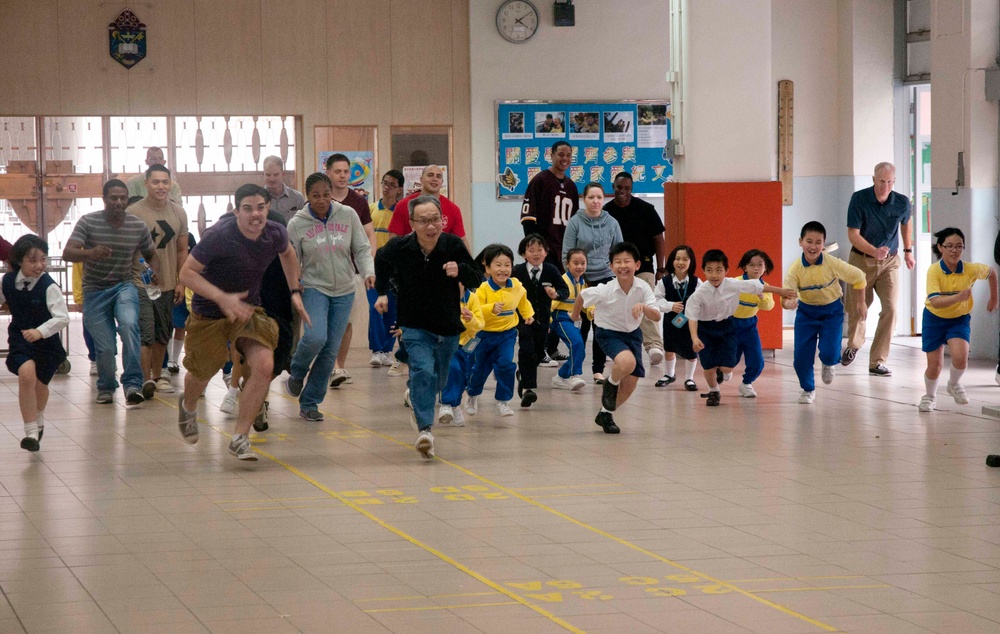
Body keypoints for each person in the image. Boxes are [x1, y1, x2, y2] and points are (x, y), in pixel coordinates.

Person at [177, 184, 309, 461]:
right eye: (247, 209)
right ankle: (187, 406)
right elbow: (186, 274)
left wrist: (295, 291)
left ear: (268, 208)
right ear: (236, 211)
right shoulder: (218, 236)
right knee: (203, 371)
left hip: (248, 310)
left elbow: (288, 254)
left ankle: (240, 437)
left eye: (260, 207)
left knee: (264, 365)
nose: (255, 214)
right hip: (209, 313)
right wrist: (221, 297)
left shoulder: (275, 232)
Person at [374, 195, 482, 459]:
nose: (431, 226)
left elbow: (477, 277)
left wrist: (460, 270)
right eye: (423, 221)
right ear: (412, 223)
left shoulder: (452, 244)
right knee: (423, 369)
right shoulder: (400, 246)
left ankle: (416, 393)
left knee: (438, 379)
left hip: (447, 325)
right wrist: (382, 292)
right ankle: (425, 431)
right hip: (414, 325)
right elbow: (381, 259)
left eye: (435, 219)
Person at [285, 173, 374, 421]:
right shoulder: (297, 223)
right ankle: (297, 370)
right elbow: (291, 259)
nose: (322, 200)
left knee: (330, 349)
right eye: (316, 196)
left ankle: (310, 402)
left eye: (326, 194)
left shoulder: (348, 215)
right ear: (307, 197)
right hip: (314, 287)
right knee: (316, 337)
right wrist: (294, 286)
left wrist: (368, 272)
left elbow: (362, 248)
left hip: (345, 289)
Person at [63, 179, 158, 405]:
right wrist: (90, 253)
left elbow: (152, 254)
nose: (118, 202)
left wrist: (153, 271)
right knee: (105, 346)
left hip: (124, 286)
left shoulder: (137, 226)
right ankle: (106, 386)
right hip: (94, 290)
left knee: (129, 325)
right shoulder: (88, 222)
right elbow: (68, 252)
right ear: (104, 199)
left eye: (123, 198)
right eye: (113, 198)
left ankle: (133, 384)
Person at [684, 249, 794, 407]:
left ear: (726, 270)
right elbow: (692, 318)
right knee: (708, 366)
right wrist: (695, 338)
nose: (714, 275)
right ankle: (714, 391)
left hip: (727, 326)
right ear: (703, 271)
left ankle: (726, 373)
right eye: (709, 270)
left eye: (719, 270)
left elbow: (759, 286)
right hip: (705, 329)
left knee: (728, 367)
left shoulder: (732, 284)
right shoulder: (699, 294)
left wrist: (780, 291)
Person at [571, 242, 660, 434]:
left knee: (631, 383)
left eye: (627, 261)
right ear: (611, 266)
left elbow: (656, 316)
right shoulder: (606, 289)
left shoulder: (643, 287)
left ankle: (605, 413)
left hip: (632, 334)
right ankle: (610, 383)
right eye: (617, 262)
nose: (623, 265)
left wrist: (644, 308)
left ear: (637, 265)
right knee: (627, 363)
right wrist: (575, 315)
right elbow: (582, 296)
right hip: (608, 333)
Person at [842, 162, 914, 376]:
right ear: (873, 179)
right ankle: (854, 344)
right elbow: (853, 234)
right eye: (882, 181)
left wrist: (908, 251)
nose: (886, 186)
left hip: (890, 262)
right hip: (861, 261)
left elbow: (906, 224)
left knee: (891, 309)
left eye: (890, 182)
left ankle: (877, 362)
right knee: (858, 309)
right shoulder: (859, 199)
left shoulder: (901, 202)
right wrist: (874, 251)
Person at [782, 221, 867, 404]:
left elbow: (859, 277)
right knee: (801, 358)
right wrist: (788, 303)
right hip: (806, 314)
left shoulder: (832, 263)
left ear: (823, 244)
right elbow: (786, 296)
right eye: (809, 241)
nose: (813, 247)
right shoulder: (795, 269)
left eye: (818, 242)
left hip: (831, 312)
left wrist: (861, 302)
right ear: (800, 242)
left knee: (829, 353)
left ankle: (828, 363)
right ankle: (808, 389)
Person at [918, 228, 998, 412]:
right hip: (934, 319)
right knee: (935, 365)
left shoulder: (970, 269)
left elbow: (991, 273)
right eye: (950, 246)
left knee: (961, 358)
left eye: (959, 246)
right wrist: (958, 297)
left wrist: (994, 298)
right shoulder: (934, 271)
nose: (955, 250)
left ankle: (954, 384)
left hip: (959, 320)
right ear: (940, 247)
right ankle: (929, 396)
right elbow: (935, 302)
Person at [127, 164, 189, 399]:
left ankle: (158, 375)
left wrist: (181, 282)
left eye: (165, 182)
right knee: (146, 331)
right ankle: (144, 380)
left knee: (164, 331)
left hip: (168, 283)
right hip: (140, 282)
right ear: (146, 184)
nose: (160, 186)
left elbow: (182, 250)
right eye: (155, 182)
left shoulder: (179, 213)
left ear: (170, 184)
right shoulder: (133, 212)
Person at [2, 235, 69, 452]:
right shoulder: (7, 281)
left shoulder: (49, 286)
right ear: (19, 260)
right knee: (26, 375)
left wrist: (40, 332)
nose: (39, 265)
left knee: (40, 385)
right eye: (33, 261)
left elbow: (62, 318)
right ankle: (30, 431)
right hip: (21, 338)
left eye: (43, 259)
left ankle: (38, 417)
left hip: (47, 344)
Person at [521, 140, 579, 363]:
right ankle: (539, 348)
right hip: (546, 250)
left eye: (568, 155)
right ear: (551, 155)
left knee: (562, 299)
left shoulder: (572, 186)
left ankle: (552, 346)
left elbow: (574, 221)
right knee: (543, 301)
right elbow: (528, 217)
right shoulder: (540, 180)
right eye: (560, 154)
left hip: (564, 251)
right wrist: (536, 249)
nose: (564, 159)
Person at [323, 153, 376, 387]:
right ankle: (330, 365)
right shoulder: (319, 199)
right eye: (338, 171)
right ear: (328, 173)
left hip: (352, 273)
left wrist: (367, 267)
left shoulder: (359, 202)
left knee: (346, 322)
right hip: (323, 272)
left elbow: (369, 235)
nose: (343, 176)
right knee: (327, 322)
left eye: (346, 171)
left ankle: (339, 367)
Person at [562, 182, 623, 383]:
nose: (595, 201)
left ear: (603, 199)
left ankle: (598, 370)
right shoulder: (575, 222)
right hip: (582, 279)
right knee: (581, 326)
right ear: (584, 199)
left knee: (601, 325)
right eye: (591, 197)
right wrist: (573, 278)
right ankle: (575, 370)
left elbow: (619, 252)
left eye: (599, 197)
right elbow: (566, 254)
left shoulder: (612, 222)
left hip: (605, 277)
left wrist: (617, 277)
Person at [466, 244, 535, 418]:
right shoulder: (483, 289)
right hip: (484, 335)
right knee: (479, 369)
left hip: (507, 335)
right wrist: (490, 308)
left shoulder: (516, 285)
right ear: (488, 268)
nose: (503, 269)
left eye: (507, 265)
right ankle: (472, 395)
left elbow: (523, 300)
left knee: (505, 365)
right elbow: (476, 310)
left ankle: (503, 401)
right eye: (498, 265)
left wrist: (528, 314)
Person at [604, 172, 666, 365]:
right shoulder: (606, 212)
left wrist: (661, 268)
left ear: (631, 189)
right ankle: (616, 345)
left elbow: (659, 239)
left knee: (646, 301)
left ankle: (654, 345)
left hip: (643, 264)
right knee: (616, 305)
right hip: (617, 267)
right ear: (613, 187)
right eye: (619, 187)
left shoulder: (646, 209)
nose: (622, 191)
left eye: (627, 188)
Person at [511, 234, 568, 407]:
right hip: (523, 319)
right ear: (523, 254)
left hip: (543, 319)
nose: (536, 253)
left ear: (546, 252)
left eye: (539, 249)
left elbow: (564, 289)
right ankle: (528, 389)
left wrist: (556, 294)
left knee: (538, 352)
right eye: (531, 250)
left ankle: (523, 373)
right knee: (526, 347)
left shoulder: (551, 270)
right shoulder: (517, 271)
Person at [368, 170, 405, 368]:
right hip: (373, 268)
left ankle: (387, 350)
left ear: (399, 189)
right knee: (375, 308)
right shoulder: (372, 209)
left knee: (392, 311)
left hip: (395, 270)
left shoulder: (402, 211)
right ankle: (376, 350)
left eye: (392, 185)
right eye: (384, 183)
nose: (387, 187)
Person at [386, 164, 470, 252]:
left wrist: (469, 260)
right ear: (421, 179)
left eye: (438, 176)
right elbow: (393, 239)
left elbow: (462, 240)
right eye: (430, 175)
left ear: (442, 182)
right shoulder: (403, 205)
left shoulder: (453, 209)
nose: (434, 179)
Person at [732, 249, 778, 398]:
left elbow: (768, 306)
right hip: (731, 325)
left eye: (760, 265)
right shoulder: (736, 282)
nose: (756, 268)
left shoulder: (765, 286)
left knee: (757, 361)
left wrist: (761, 296)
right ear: (745, 267)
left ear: (765, 267)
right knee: (731, 359)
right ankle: (722, 371)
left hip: (750, 327)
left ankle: (746, 384)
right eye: (751, 265)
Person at [438, 283, 484, 427]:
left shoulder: (472, 298)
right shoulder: (439, 296)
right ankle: (446, 404)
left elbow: (479, 324)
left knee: (463, 377)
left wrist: (470, 319)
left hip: (466, 345)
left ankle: (455, 405)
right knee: (452, 369)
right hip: (446, 343)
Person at [655, 245, 700, 390]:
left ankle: (689, 378)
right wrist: (670, 305)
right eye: (677, 259)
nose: (681, 262)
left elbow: (703, 300)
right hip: (671, 320)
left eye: (685, 259)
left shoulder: (696, 282)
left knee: (691, 351)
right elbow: (656, 300)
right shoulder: (664, 281)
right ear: (672, 261)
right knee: (669, 348)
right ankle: (669, 374)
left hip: (690, 322)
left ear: (691, 262)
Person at [549, 248, 589, 391]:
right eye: (575, 263)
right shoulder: (562, 281)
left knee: (580, 350)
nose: (579, 267)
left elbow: (587, 302)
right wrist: (548, 320)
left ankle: (560, 377)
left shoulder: (583, 282)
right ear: (567, 264)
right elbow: (552, 303)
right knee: (576, 343)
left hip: (573, 319)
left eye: (583, 263)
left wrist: (591, 310)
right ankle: (574, 375)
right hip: (561, 318)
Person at [166, 233, 196, 375]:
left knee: (180, 325)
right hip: (168, 284)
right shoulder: (168, 236)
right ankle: (167, 359)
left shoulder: (189, 237)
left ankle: (174, 359)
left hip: (185, 286)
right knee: (167, 325)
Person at [263, 155, 305, 222]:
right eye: (268, 175)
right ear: (263, 174)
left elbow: (304, 222)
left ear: (283, 174)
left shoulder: (297, 198)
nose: (271, 179)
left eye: (276, 175)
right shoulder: (258, 200)